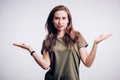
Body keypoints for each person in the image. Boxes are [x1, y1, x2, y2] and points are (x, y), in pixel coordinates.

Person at [13, 5, 111, 80]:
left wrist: (95, 44)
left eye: (64, 18)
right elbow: (45, 65)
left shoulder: (77, 37)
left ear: (68, 20)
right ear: (52, 20)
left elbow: (88, 63)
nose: (60, 22)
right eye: (57, 18)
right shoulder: (48, 41)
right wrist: (30, 49)